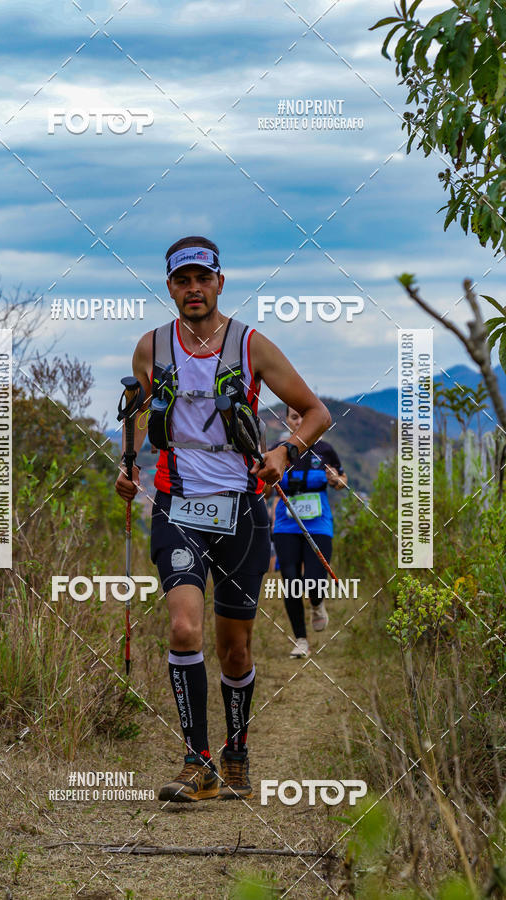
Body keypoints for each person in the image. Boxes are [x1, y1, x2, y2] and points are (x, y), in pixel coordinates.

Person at [115, 236, 331, 803]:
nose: (193, 290)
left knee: (235, 648)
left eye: (202, 279)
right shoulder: (151, 346)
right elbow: (136, 410)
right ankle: (198, 762)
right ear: (169, 287)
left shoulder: (251, 345)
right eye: (182, 281)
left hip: (243, 510)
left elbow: (317, 412)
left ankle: (236, 749)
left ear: (219, 282)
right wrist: (128, 464)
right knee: (184, 628)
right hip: (176, 506)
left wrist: (284, 453)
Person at [270, 406, 347, 659]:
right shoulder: (278, 449)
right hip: (286, 523)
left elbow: (341, 480)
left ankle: (316, 603)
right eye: (294, 417)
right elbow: (267, 485)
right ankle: (301, 640)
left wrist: (336, 479)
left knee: (314, 580)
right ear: (288, 421)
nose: (300, 421)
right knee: (291, 581)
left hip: (318, 524)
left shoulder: (325, 451)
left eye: (304, 415)